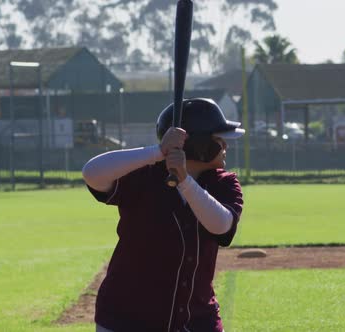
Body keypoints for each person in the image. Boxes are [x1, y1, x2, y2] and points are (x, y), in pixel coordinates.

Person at [82, 98, 245, 332]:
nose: (226, 147)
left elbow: (221, 226)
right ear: (199, 144)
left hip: (196, 320)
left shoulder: (225, 183)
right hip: (126, 319)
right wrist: (158, 152)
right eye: (219, 140)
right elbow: (92, 173)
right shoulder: (144, 175)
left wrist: (184, 181)